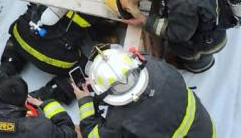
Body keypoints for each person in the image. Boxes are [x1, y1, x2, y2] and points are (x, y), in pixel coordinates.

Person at [0, 0, 125, 105]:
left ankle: (6, 72)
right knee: (90, 73)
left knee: (18, 34)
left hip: (22, 34)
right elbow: (96, 30)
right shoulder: (103, 1)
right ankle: (43, 97)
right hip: (57, 59)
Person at [73, 48, 216, 137]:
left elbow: (92, 135)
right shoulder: (159, 69)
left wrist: (84, 101)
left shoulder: (119, 120)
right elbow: (141, 58)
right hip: (206, 131)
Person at [0, 76, 76, 137]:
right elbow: (69, 133)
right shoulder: (39, 128)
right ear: (25, 102)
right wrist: (47, 104)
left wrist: (2, 98)